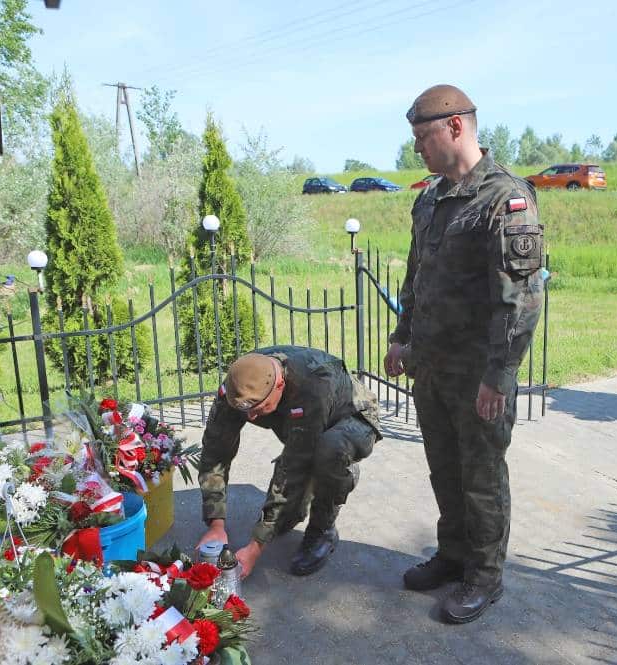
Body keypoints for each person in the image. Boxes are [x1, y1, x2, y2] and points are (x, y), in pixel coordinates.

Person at [383, 84, 544, 624]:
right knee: (444, 471)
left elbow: (521, 299)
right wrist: (401, 337)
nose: (416, 148)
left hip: (478, 373)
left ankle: (485, 574)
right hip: (432, 367)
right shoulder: (429, 199)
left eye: (422, 136)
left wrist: (499, 375)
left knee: (481, 477)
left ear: (455, 126)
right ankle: (453, 555)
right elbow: (417, 276)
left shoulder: (505, 198)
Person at [196, 346, 381, 577]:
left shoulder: (312, 385)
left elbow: (294, 466)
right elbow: (215, 452)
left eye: (258, 408)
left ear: (279, 385)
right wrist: (216, 524)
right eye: (246, 411)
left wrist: (255, 547)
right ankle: (300, 501)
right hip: (303, 422)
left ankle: (322, 530)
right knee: (282, 519)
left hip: (351, 417)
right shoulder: (238, 385)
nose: (251, 417)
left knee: (328, 453)